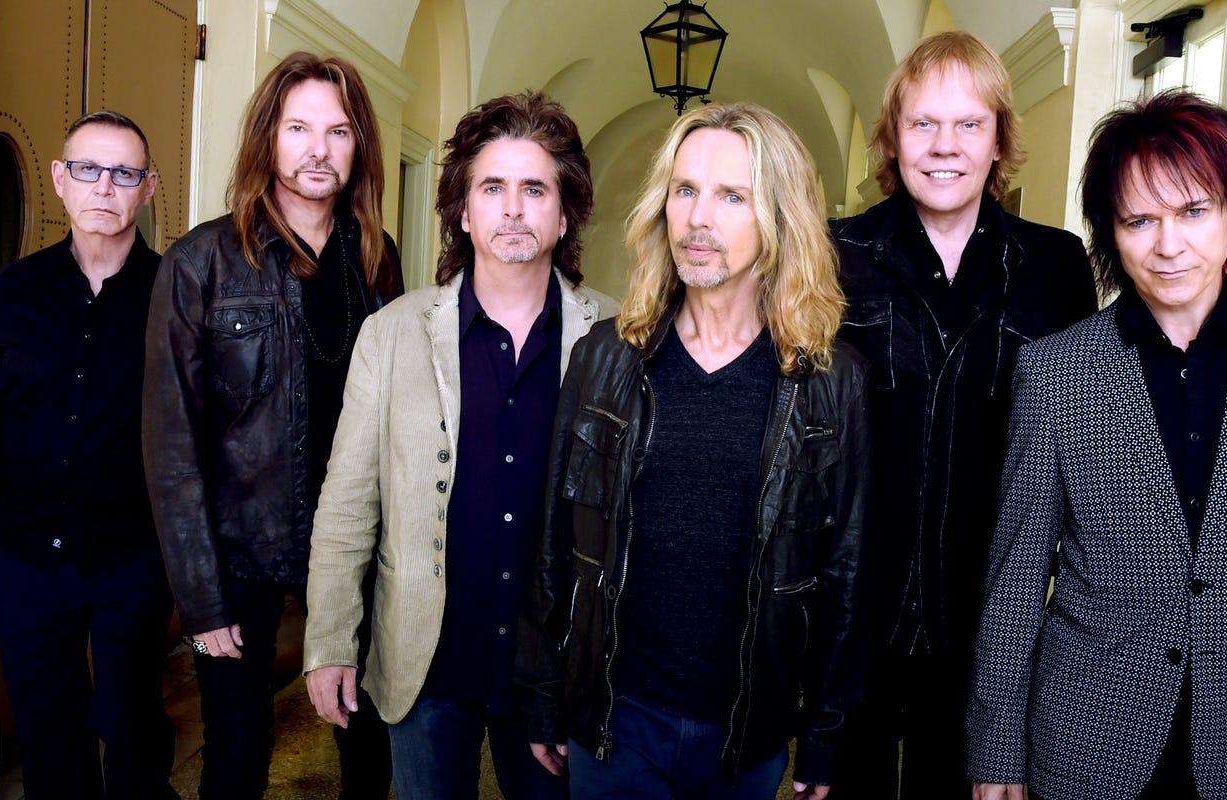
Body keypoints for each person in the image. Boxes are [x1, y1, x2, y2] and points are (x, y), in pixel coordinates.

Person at [966, 90, 1227, 800]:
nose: (1169, 244)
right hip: (1084, 735)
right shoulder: (1056, 371)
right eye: (1139, 220)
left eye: (1193, 211)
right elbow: (1016, 579)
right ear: (1110, 233)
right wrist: (995, 750)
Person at [517, 102, 872, 800]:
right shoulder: (604, 357)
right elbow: (554, 539)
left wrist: (826, 737)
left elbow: (847, 573)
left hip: (747, 730)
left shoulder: (831, 382)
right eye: (685, 190)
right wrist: (543, 694)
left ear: (780, 219)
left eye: (732, 196)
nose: (697, 218)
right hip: (616, 720)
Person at [303, 91, 615, 799]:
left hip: (554, 672)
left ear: (564, 213)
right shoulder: (391, 334)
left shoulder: (616, 338)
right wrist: (329, 642)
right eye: (492, 188)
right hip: (427, 666)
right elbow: (347, 504)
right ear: (465, 212)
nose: (514, 209)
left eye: (535, 189)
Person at [827, 31, 1097, 797]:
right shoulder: (833, 255)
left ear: (999, 140)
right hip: (852, 616)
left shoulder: (1056, 268)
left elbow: (1081, 451)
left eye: (969, 124)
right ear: (893, 137)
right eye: (923, 123)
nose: (944, 146)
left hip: (990, 624)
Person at [142, 52, 402, 800]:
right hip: (239, 552)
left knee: (369, 738)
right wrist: (201, 599)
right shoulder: (198, 263)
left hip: (354, 542)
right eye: (298, 128)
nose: (319, 149)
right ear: (268, 137)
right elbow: (170, 447)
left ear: (359, 146)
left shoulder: (377, 260)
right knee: (237, 749)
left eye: (338, 131)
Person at [0, 110, 176, 798]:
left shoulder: (176, 295)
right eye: (87, 168)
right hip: (24, 553)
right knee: (49, 732)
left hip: (134, 555)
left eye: (124, 173)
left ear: (148, 187)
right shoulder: (10, 293)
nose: (104, 186)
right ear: (59, 178)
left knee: (133, 724)